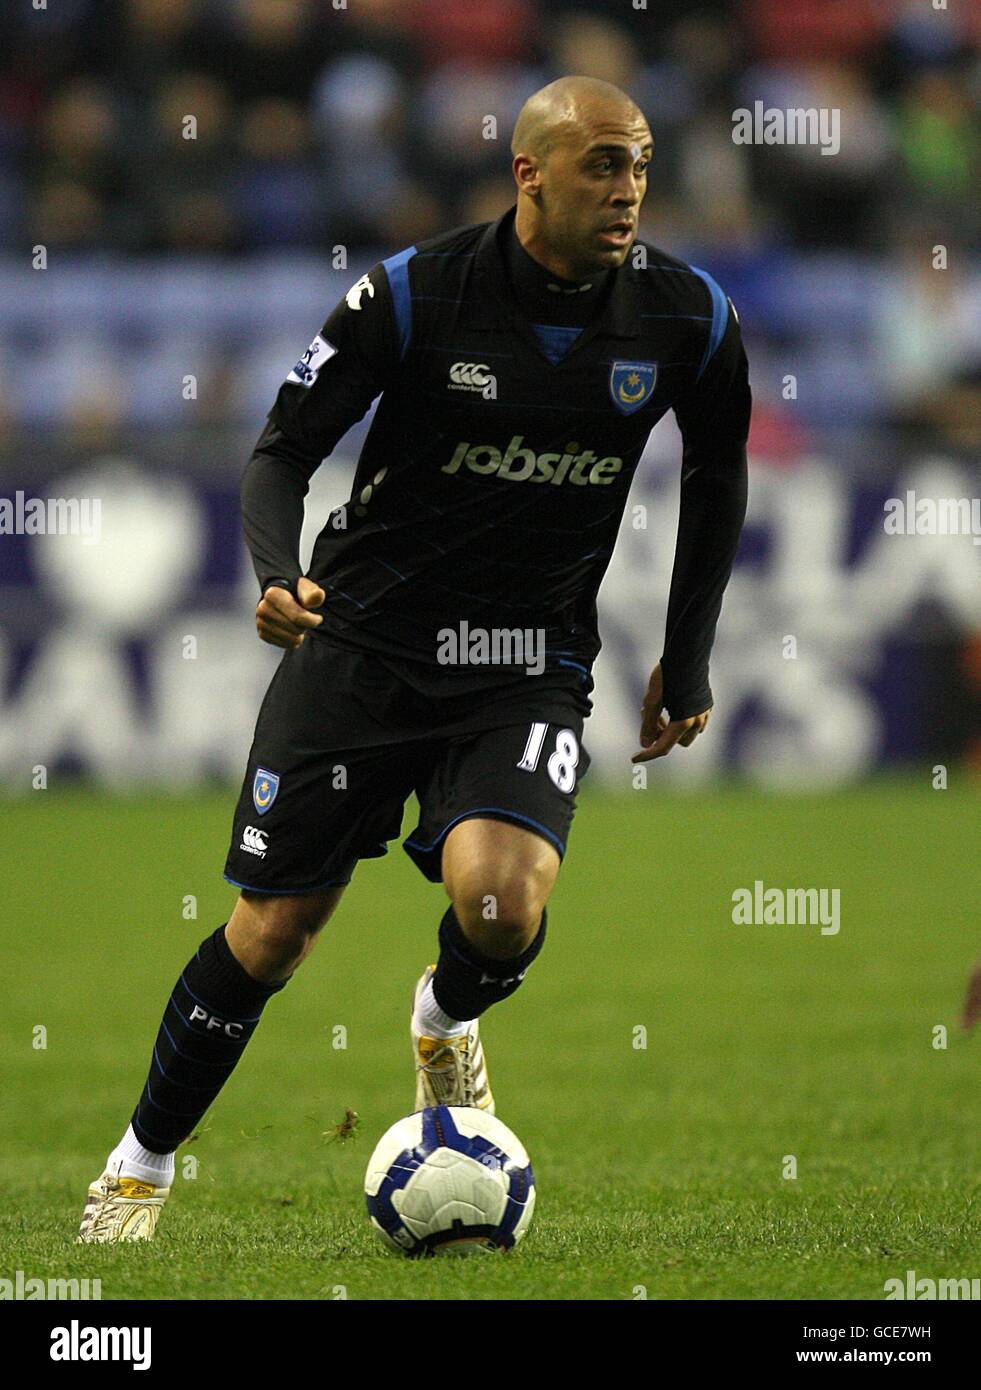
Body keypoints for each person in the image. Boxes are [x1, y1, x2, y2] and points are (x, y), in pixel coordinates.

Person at [79, 75, 750, 1242]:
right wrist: (274, 575)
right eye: (601, 163)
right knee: (273, 934)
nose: (629, 187)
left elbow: (719, 475)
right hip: (364, 648)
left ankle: (443, 1021)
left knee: (500, 902)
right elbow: (283, 447)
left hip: (524, 659)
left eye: (640, 163)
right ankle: (138, 1165)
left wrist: (685, 660)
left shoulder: (689, 319)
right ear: (529, 174)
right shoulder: (411, 293)